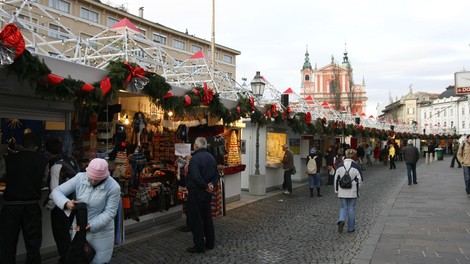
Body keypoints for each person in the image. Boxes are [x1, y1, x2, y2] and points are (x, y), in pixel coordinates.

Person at [51, 158, 121, 263]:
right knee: (80, 259)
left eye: (97, 179)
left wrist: (91, 225)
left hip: (101, 232)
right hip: (80, 229)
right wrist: (66, 203)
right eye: (91, 178)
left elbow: (110, 212)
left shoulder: (113, 187)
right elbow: (56, 192)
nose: (93, 181)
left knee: (99, 261)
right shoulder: (80, 177)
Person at [0, 133, 47, 264]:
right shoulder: (43, 161)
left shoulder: (8, 159)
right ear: (37, 146)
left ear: (22, 144)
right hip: (31, 206)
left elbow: (1, 174)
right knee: (33, 245)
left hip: (11, 206)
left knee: (8, 244)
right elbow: (43, 182)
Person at [44, 138, 80, 263]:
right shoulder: (71, 160)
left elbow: (55, 191)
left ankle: (66, 260)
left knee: (62, 237)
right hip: (74, 203)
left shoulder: (56, 166)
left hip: (62, 207)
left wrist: (49, 206)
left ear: (48, 152)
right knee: (70, 236)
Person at [186, 137, 220, 253]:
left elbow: (196, 176)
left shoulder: (195, 159)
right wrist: (211, 185)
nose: (193, 147)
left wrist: (205, 186)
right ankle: (210, 243)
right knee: (207, 217)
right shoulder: (211, 157)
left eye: (194, 145)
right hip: (207, 192)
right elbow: (216, 174)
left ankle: (199, 246)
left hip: (197, 191)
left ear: (196, 146)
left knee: (197, 218)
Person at [334, 148, 363, 233]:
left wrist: (337, 190)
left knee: (343, 207)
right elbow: (360, 180)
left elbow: (336, 179)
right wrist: (357, 189)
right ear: (353, 156)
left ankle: (341, 219)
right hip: (352, 191)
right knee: (351, 209)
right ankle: (351, 228)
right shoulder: (356, 166)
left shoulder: (340, 166)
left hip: (342, 190)